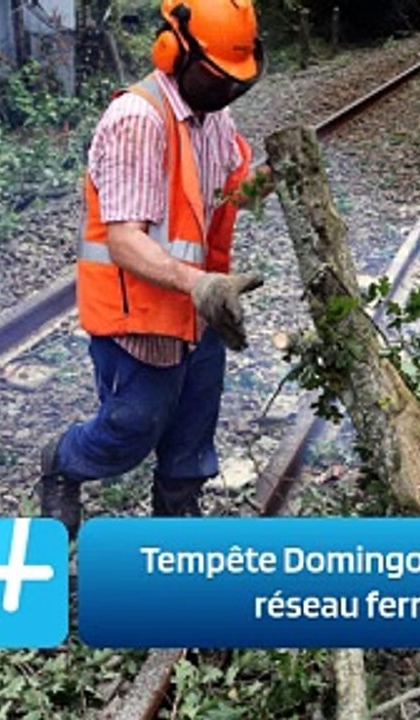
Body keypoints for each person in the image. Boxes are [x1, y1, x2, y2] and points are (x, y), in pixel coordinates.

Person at [38, 0, 270, 533]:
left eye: (237, 82)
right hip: (141, 316)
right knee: (130, 431)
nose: (226, 92)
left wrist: (284, 172)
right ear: (173, 52)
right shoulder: (137, 120)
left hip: (199, 310)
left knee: (192, 432)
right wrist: (201, 284)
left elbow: (231, 190)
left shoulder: (215, 119)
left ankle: (177, 522)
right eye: (217, 79)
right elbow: (123, 240)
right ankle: (62, 462)